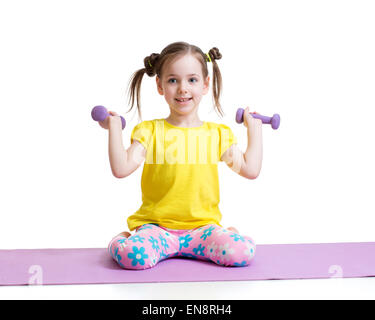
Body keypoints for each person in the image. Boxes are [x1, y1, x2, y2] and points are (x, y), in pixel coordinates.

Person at [100, 42, 263, 270]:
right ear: (160, 85)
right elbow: (121, 169)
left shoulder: (217, 135)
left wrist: (254, 130)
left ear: (206, 84)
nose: (183, 88)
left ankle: (228, 234)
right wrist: (114, 128)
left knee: (240, 254)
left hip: (202, 231)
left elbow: (250, 169)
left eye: (192, 80)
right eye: (173, 80)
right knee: (133, 257)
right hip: (157, 230)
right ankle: (122, 238)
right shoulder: (150, 132)